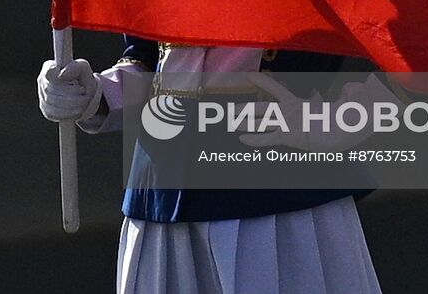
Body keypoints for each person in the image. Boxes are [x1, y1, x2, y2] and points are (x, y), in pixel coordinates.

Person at [39, 40, 384, 293]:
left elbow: (421, 34)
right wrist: (97, 93)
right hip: (162, 192)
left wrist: (350, 115)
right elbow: (155, 61)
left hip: (281, 197)